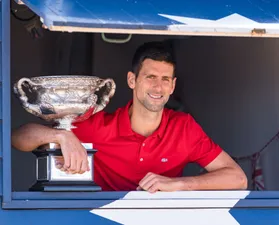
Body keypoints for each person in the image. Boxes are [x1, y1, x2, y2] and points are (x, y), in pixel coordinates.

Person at [12, 41, 247, 192]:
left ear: (173, 86)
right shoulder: (99, 125)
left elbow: (238, 179)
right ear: (132, 80)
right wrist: (61, 136)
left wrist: (180, 184)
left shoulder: (183, 127)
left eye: (165, 80)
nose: (158, 87)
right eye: (150, 77)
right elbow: (19, 138)